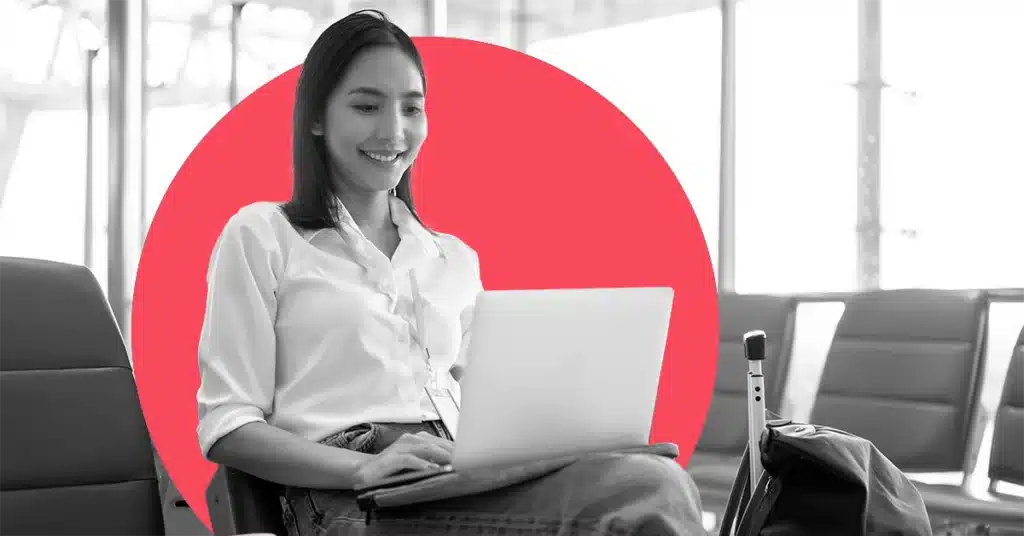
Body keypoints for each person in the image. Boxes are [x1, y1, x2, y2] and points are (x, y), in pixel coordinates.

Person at [196, 9, 705, 535]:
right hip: (346, 491)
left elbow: (497, 402)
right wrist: (362, 467)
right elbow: (227, 426)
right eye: (367, 106)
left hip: (454, 471)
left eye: (411, 108)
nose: (393, 131)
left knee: (646, 477)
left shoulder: (452, 259)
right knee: (647, 494)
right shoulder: (262, 234)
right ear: (317, 118)